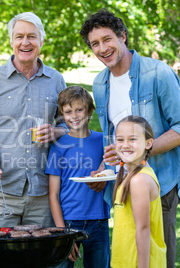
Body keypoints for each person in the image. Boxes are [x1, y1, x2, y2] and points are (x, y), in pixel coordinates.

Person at [80, 10, 180, 268]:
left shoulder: (158, 73)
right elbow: (115, 139)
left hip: (159, 182)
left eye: (107, 39)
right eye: (95, 44)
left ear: (123, 37)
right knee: (128, 252)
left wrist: (141, 153)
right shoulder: (100, 83)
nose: (102, 48)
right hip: (121, 184)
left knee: (157, 257)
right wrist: (103, 168)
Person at [0, 12, 67, 228]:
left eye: (32, 36)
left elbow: (67, 124)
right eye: (19, 36)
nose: (25, 42)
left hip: (44, 193)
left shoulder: (56, 79)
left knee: (41, 258)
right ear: (11, 41)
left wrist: (56, 132)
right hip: (3, 192)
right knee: (1, 257)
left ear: (41, 41)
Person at [46, 86, 110, 268]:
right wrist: (62, 232)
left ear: (90, 111)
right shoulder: (58, 145)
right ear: (62, 115)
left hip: (98, 220)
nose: (74, 116)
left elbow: (114, 165)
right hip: (68, 221)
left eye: (79, 110)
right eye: (68, 112)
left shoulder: (103, 141)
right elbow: (53, 194)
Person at [112, 115, 166, 267]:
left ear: (148, 143)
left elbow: (143, 230)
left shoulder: (139, 180)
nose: (125, 145)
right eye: (120, 139)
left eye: (133, 139)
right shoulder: (132, 175)